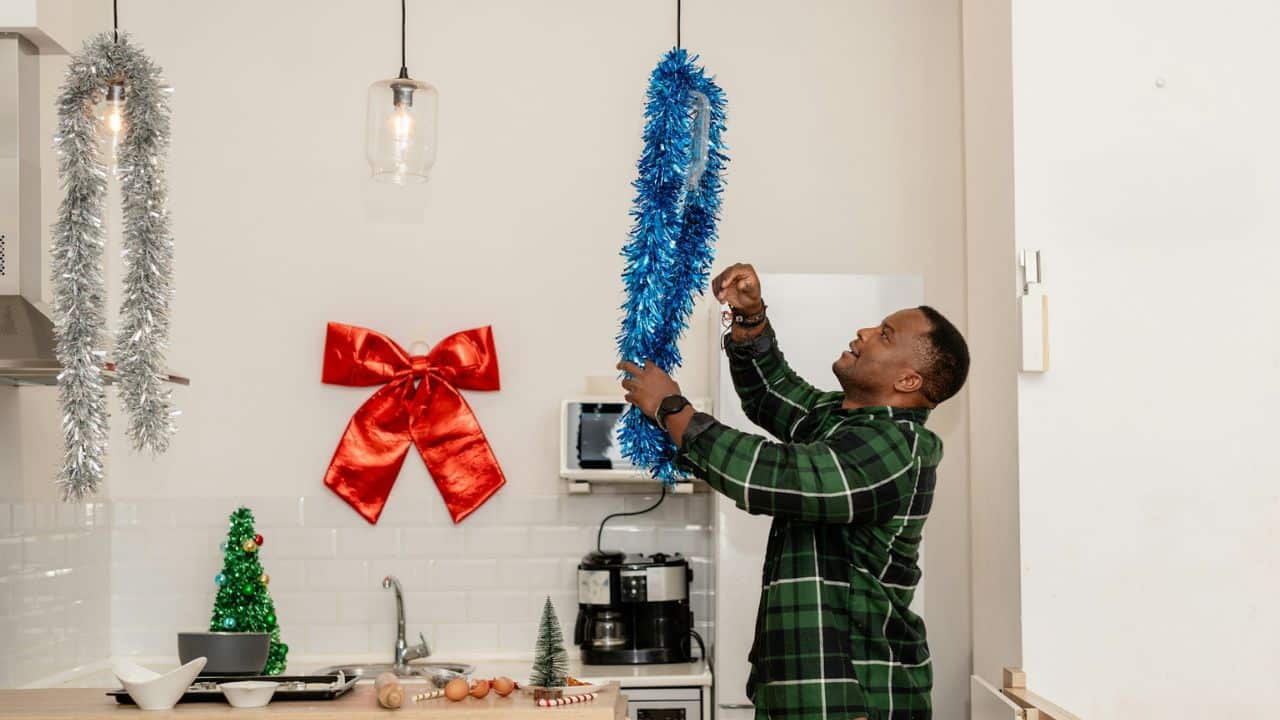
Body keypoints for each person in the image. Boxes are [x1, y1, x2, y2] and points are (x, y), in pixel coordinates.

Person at [619, 263, 970, 720]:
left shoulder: (898, 446)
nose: (864, 332)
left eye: (884, 335)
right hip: (806, 692)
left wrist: (672, 409)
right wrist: (749, 319)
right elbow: (773, 394)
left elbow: (771, 475)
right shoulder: (846, 423)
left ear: (908, 381)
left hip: (853, 698)